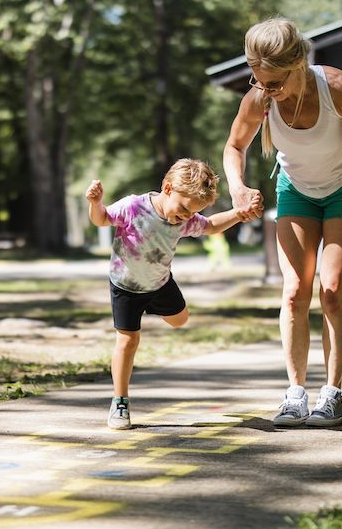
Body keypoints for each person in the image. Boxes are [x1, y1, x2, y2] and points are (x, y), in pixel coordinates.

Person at [223, 17, 342, 428]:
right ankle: (295, 394)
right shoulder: (260, 99)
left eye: (274, 83)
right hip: (296, 192)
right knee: (295, 291)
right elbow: (234, 146)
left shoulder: (340, 89)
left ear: (297, 63)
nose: (266, 91)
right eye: (258, 81)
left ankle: (332, 395)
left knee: (331, 291)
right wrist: (238, 188)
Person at [86, 158, 244, 430]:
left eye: (190, 214)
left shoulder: (186, 220)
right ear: (168, 188)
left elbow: (211, 226)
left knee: (180, 320)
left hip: (160, 283)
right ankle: (120, 402)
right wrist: (95, 203)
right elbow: (101, 219)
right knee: (127, 341)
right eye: (183, 209)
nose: (185, 217)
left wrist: (239, 213)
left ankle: (152, 307)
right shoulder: (133, 207)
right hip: (126, 285)